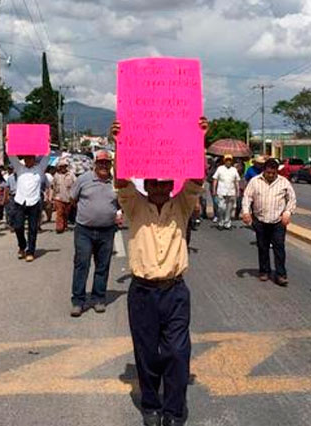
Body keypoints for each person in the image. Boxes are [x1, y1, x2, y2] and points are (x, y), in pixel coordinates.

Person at [113, 117, 207, 426]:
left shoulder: (180, 205)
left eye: (164, 182)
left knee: (178, 354)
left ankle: (174, 411)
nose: (158, 187)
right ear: (147, 183)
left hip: (175, 291)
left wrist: (198, 139)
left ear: (171, 184)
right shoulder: (134, 206)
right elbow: (121, 182)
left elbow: (195, 180)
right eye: (153, 182)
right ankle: (151, 405)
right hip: (142, 291)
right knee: (146, 353)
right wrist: (120, 143)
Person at [69, 150, 120, 317]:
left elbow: (122, 203)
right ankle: (78, 301)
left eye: (107, 163)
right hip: (84, 230)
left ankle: (99, 298)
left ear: (111, 164)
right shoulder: (83, 179)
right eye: (101, 163)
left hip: (107, 230)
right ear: (95, 164)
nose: (104, 165)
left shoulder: (116, 183)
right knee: (82, 264)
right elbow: (73, 199)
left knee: (102, 266)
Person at [242, 158, 297, 286]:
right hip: (260, 220)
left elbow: (292, 199)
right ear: (264, 170)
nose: (271, 175)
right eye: (268, 173)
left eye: (273, 173)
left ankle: (281, 274)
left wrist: (288, 212)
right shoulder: (255, 181)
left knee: (279, 247)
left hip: (278, 221)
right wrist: (246, 212)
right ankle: (264, 271)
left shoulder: (284, 182)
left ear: (277, 172)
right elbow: (247, 197)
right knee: (262, 246)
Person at [8, 154, 49, 262]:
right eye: (26, 158)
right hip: (20, 201)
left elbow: (46, 157)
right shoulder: (19, 168)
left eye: (30, 158)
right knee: (18, 226)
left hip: (34, 202)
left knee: (33, 228)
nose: (27, 160)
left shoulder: (39, 169)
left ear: (34, 159)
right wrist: (8, 141)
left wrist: (47, 142)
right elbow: (11, 156)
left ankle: (30, 251)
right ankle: (22, 246)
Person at [212, 154, 240, 230]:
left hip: (231, 191)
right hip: (221, 191)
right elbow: (215, 179)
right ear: (224, 161)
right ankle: (221, 221)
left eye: (230, 160)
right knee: (221, 207)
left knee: (229, 208)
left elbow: (236, 181)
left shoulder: (234, 169)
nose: (228, 162)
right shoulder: (220, 169)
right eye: (227, 160)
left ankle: (227, 223)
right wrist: (214, 190)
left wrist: (238, 191)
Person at [52, 158, 76, 233]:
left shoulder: (71, 175)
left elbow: (76, 184)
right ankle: (59, 227)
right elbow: (53, 186)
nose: (63, 168)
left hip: (68, 197)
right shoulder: (56, 175)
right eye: (61, 166)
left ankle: (64, 224)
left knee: (66, 213)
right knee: (60, 212)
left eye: (64, 166)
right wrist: (52, 197)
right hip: (58, 197)